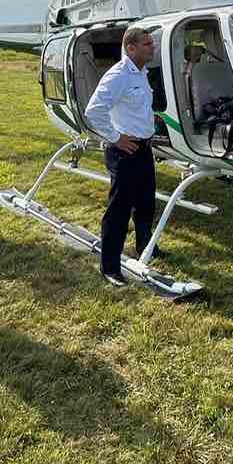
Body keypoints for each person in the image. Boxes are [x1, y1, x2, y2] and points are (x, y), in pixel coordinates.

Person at [84, 27, 157, 288]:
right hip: (125, 151)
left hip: (143, 149)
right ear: (131, 48)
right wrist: (116, 138)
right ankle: (110, 267)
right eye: (147, 44)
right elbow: (94, 111)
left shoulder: (141, 73)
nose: (152, 47)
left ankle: (145, 245)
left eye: (152, 43)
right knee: (119, 210)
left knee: (146, 203)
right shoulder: (118, 76)